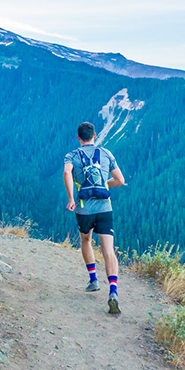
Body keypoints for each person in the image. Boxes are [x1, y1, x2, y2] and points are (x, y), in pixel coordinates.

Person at [63, 122, 125, 314]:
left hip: (84, 209)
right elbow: (120, 181)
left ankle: (93, 280)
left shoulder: (72, 155)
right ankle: (113, 291)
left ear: (78, 137)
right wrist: (104, 184)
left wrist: (71, 198)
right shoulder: (106, 154)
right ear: (95, 135)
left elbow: (67, 172)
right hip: (105, 208)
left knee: (86, 240)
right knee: (108, 250)